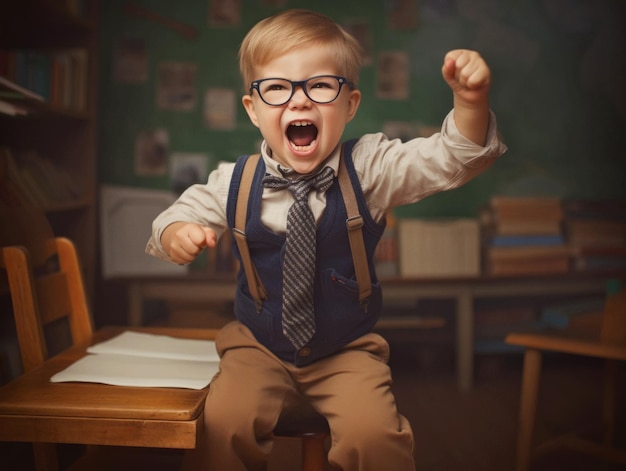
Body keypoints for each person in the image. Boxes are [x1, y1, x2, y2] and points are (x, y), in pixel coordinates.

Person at [146, 8, 507, 471]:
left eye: (319, 85)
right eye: (276, 87)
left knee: (375, 437)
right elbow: (174, 217)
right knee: (222, 425)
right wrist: (178, 233)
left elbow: (450, 158)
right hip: (257, 347)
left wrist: (471, 103)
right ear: (253, 109)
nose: (299, 102)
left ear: (349, 104)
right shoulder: (233, 182)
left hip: (346, 349)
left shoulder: (371, 170)